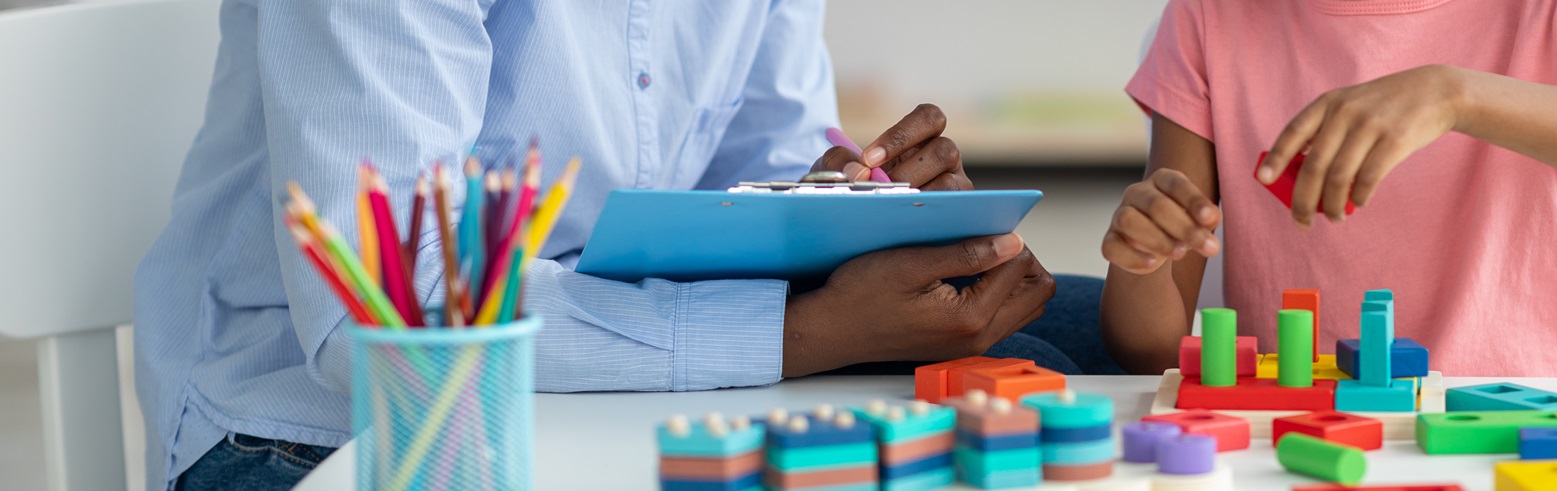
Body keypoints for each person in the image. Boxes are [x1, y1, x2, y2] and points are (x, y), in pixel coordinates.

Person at [132, 2, 1111, 489]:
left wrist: (859, 211)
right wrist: (805, 329)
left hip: (624, 354)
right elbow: (380, 314)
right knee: (1009, 392)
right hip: (331, 434)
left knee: (1076, 337)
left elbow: (764, 164)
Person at [1099, 0, 1557, 377]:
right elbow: (1149, 350)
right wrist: (1142, 257)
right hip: (1300, 429)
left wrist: (1459, 95)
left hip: (1527, 424)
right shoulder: (1210, 15)